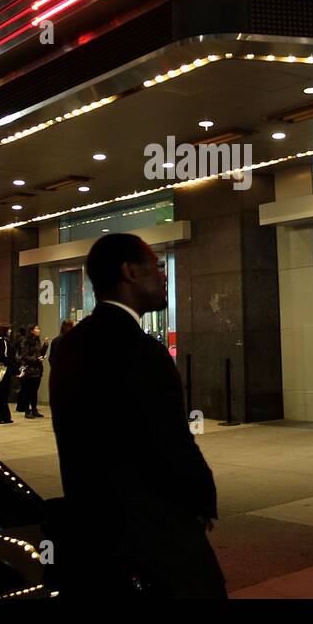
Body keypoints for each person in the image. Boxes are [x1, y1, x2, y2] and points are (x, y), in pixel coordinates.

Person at [49, 233, 224, 598]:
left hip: (93, 533)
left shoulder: (69, 348)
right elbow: (171, 442)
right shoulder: (144, 353)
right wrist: (200, 500)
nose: (163, 277)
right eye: (157, 267)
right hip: (155, 538)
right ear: (130, 272)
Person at [15, 325, 47, 418]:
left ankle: (34, 409)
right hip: (29, 370)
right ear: (32, 331)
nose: (38, 330)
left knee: (34, 391)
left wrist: (45, 345)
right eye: (36, 329)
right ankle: (27, 411)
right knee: (28, 391)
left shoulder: (37, 340)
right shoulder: (26, 341)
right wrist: (37, 359)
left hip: (37, 369)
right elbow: (24, 356)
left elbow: (40, 353)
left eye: (38, 328)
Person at [0, 324, 15, 424]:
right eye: (9, 330)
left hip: (6, 371)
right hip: (3, 371)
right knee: (2, 394)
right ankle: (1, 417)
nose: (10, 331)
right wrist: (9, 363)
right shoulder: (1, 341)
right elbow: (1, 356)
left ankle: (5, 416)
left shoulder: (5, 341)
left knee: (4, 394)